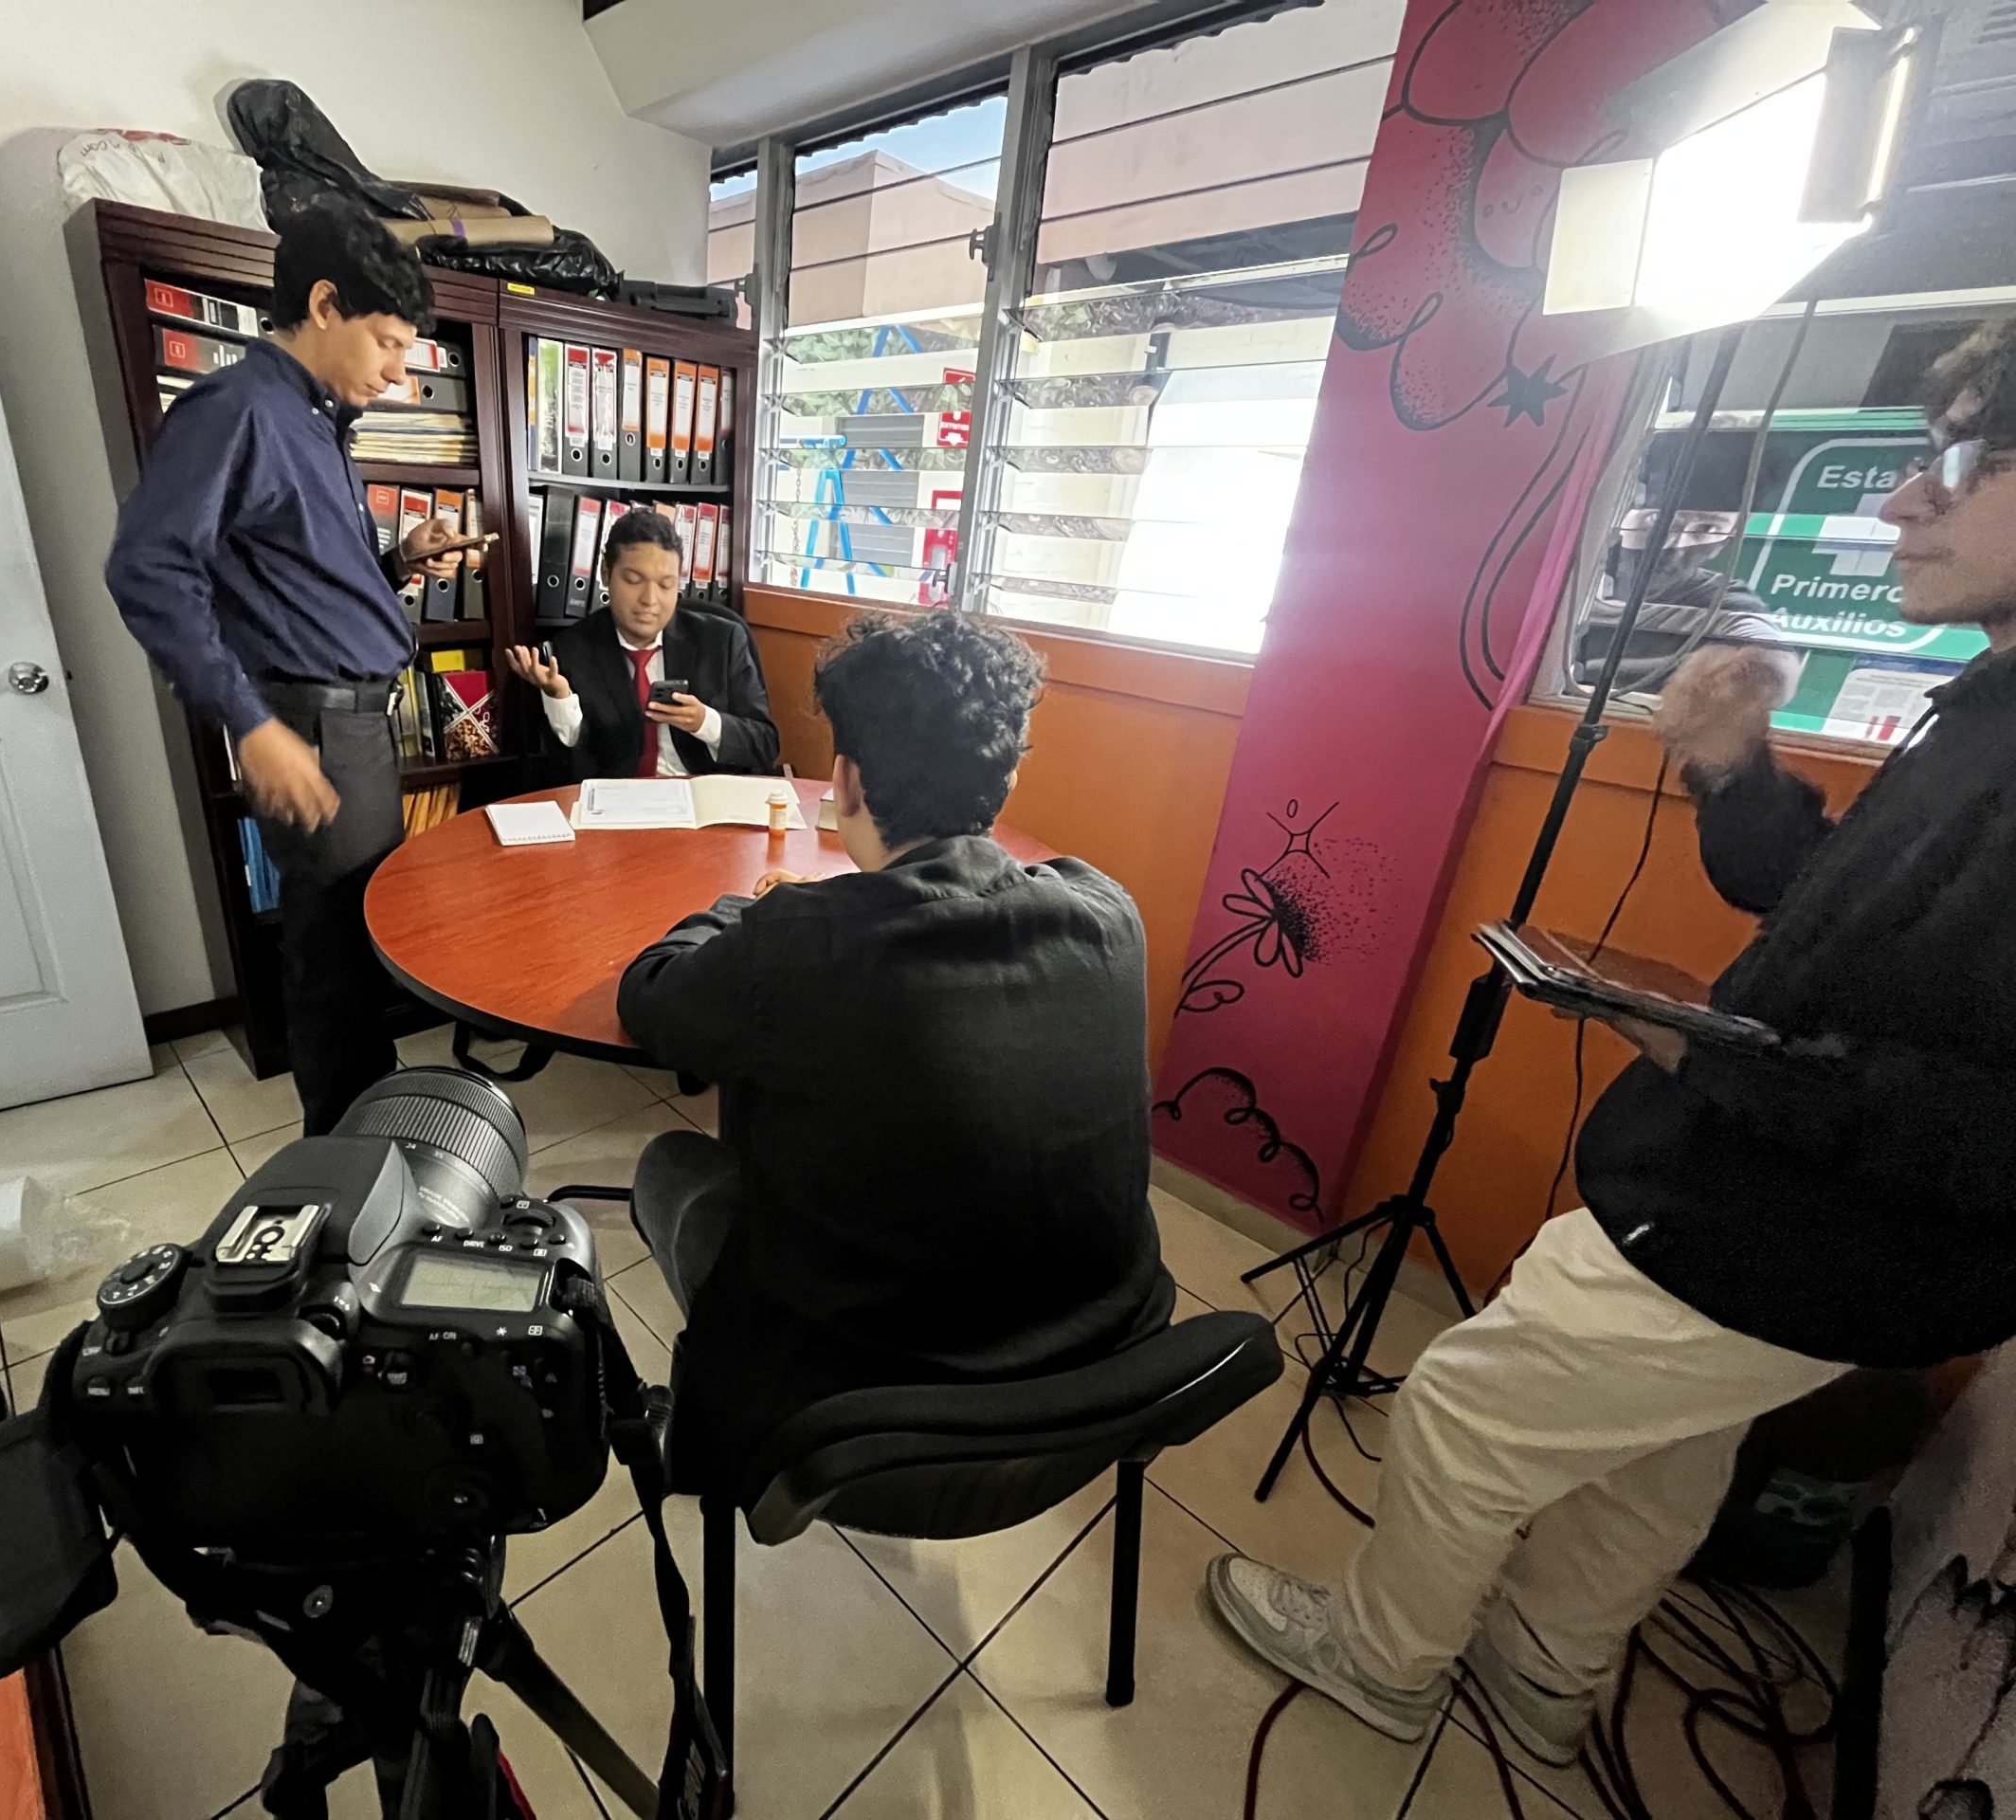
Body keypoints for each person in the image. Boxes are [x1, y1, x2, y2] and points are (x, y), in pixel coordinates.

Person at [1205, 317, 2016, 1767]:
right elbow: (1830, 924)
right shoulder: (1981, 719)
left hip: (1784, 1227)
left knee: (1465, 1407)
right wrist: (1733, 768)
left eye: (1965, 465)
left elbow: (1976, 1128)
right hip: (1801, 1236)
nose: (1905, 501)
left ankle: (1383, 1661)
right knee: (1653, 1463)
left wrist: (1693, 1046)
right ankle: (1543, 1681)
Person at [612, 610, 1175, 1493]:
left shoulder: (801, 942)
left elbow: (648, 994)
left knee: (671, 1163)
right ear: (1007, 774)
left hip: (855, 1426)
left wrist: (749, 912)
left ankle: (703, 1434)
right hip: (1100, 1390)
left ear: (846, 780)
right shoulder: (1109, 911)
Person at [106, 196, 468, 1138]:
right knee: (334, 959)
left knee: (356, 942)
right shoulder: (239, 410)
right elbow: (147, 567)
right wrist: (250, 723)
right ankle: (346, 1160)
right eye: (388, 343)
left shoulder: (318, 421)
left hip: (353, 720)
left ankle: (367, 1137)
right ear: (323, 304)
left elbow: (292, 576)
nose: (398, 372)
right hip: (311, 720)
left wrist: (399, 562)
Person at [503, 509, 777, 780]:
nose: (649, 599)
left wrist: (705, 721)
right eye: (634, 580)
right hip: (619, 798)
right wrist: (560, 697)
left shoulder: (721, 640)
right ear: (606, 573)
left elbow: (765, 744)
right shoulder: (573, 649)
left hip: (703, 794)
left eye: (666, 585)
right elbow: (571, 766)